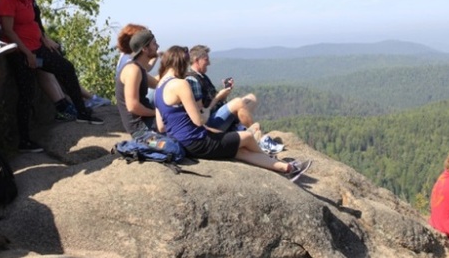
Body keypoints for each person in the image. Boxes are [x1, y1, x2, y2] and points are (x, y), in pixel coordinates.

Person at [153, 46, 311, 181]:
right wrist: (206, 112)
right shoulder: (180, 84)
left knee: (240, 152)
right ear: (181, 63)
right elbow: (199, 120)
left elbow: (161, 127)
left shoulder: (159, 88)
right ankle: (274, 161)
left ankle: (286, 168)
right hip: (197, 142)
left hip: (182, 143)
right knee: (247, 137)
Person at [0, 0, 102, 148]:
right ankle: (24, 140)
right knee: (26, 94)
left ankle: (81, 111)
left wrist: (43, 39)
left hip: (36, 49)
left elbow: (34, 22)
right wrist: (27, 54)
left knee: (66, 68)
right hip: (21, 54)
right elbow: (8, 31)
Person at [186, 45, 260, 132]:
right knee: (238, 102)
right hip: (208, 120)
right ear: (196, 60)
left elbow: (214, 98)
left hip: (217, 112)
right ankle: (254, 134)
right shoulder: (192, 80)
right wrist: (219, 96)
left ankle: (238, 128)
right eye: (206, 60)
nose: (209, 63)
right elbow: (202, 111)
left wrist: (225, 92)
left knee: (251, 98)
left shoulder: (202, 76)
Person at [115, 28, 160, 138]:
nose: (158, 46)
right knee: (178, 137)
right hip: (141, 130)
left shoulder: (138, 67)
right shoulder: (133, 70)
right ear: (145, 49)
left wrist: (173, 69)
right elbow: (133, 106)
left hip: (146, 123)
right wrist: (156, 113)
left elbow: (156, 83)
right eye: (154, 44)